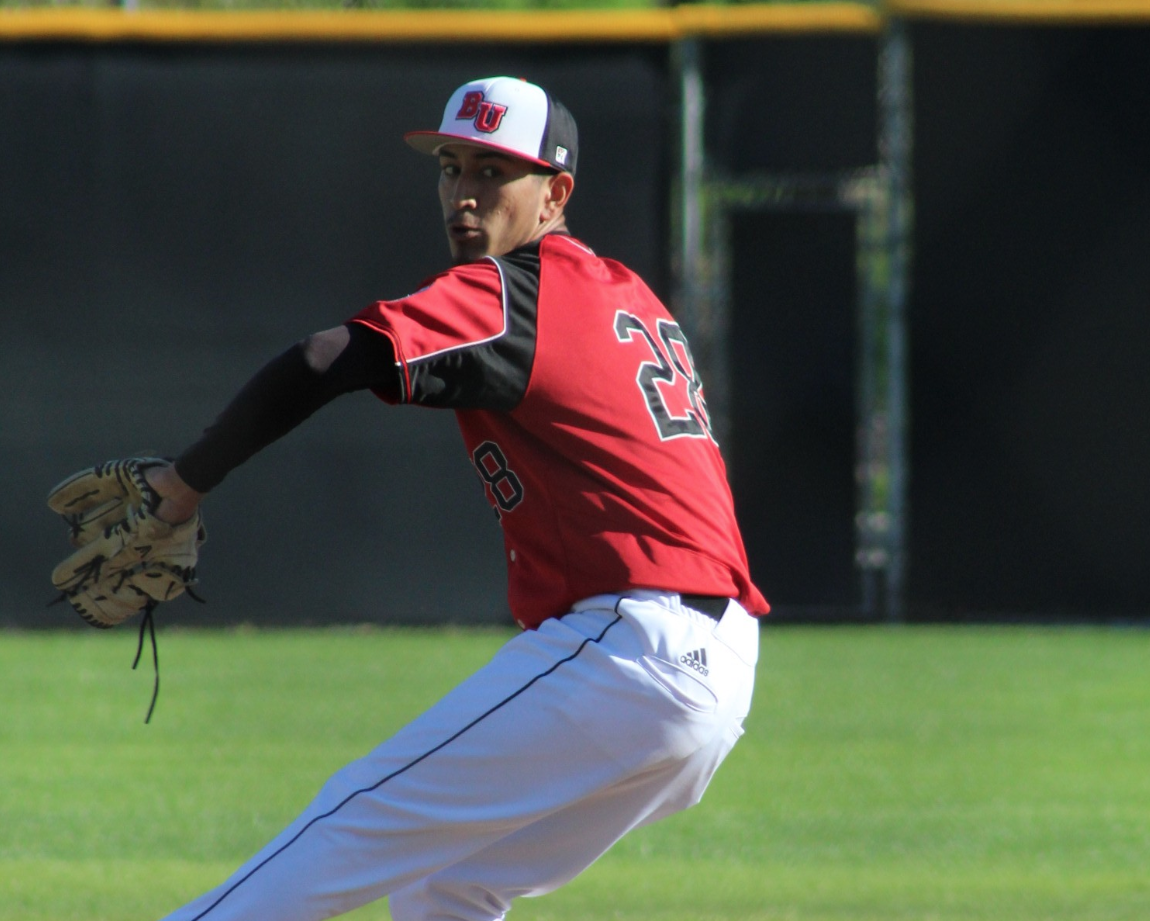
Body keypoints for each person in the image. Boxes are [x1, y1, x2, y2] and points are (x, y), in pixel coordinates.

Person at [143, 75, 769, 921]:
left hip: (637, 650)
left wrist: (184, 483)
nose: (464, 195)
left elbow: (332, 357)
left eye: (492, 172)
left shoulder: (517, 291)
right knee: (449, 881)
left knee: (358, 813)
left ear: (555, 193)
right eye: (451, 166)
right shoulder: (622, 291)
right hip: (719, 666)